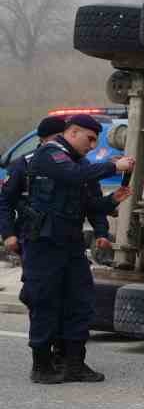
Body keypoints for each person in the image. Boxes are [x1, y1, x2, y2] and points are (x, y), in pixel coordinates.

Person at [0, 113, 133, 383]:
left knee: (80, 302)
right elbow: (70, 175)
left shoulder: (80, 163)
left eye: (96, 141)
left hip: (71, 244)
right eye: (90, 138)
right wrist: (113, 165)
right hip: (44, 243)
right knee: (44, 301)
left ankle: (74, 362)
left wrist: (111, 202)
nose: (93, 145)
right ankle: (42, 365)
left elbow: (89, 204)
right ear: (72, 132)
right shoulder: (50, 154)